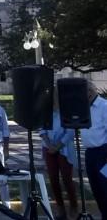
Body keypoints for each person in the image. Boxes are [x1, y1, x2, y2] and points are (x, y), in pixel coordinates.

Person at [39, 88, 78, 220]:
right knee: (53, 179)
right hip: (48, 147)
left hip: (64, 148)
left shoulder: (66, 111)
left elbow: (70, 132)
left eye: (56, 95)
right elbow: (41, 129)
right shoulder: (45, 110)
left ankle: (73, 207)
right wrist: (50, 146)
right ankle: (60, 209)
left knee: (67, 179)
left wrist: (57, 146)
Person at [81, 81, 107, 218]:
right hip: (90, 153)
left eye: (85, 92)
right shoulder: (85, 107)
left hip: (104, 153)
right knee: (95, 188)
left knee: (105, 187)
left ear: (92, 91)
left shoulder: (104, 106)